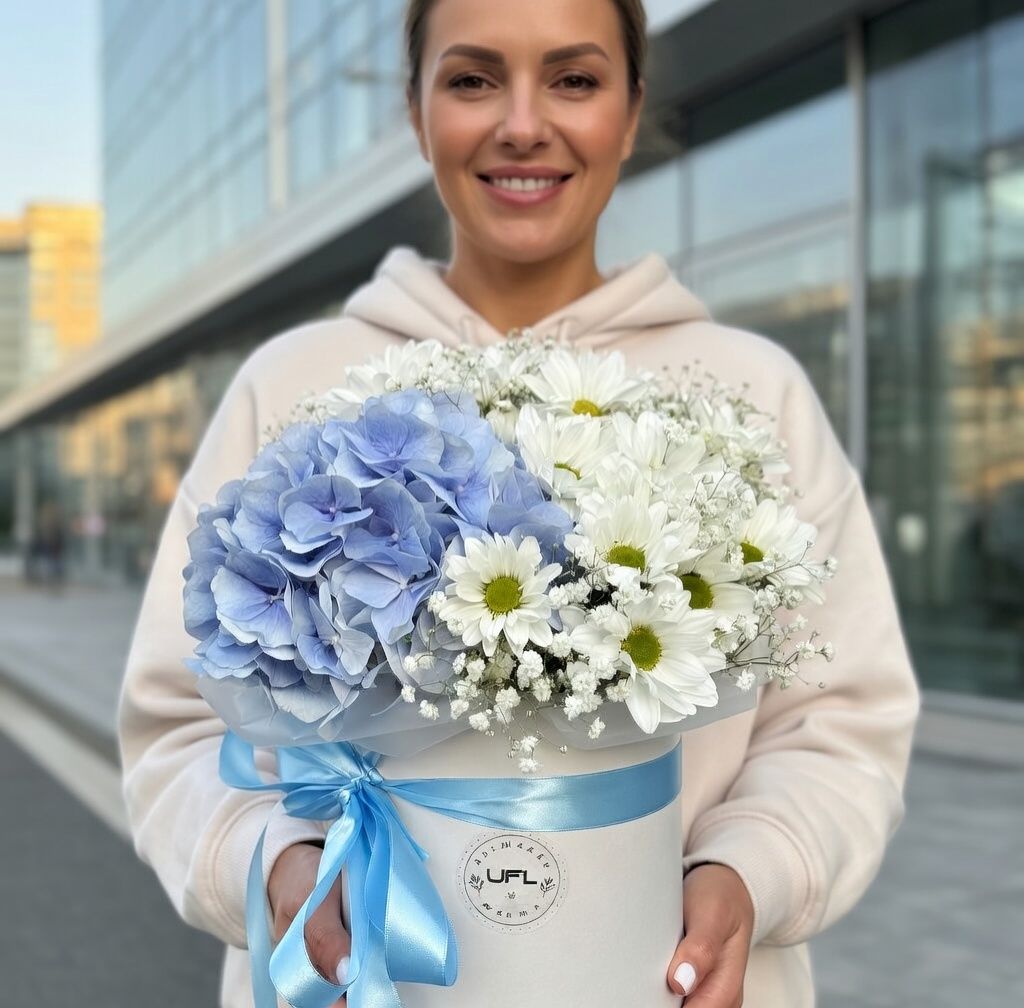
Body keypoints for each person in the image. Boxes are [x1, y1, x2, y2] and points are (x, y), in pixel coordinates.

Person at [116, 1, 922, 1006]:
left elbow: (841, 720)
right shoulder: (292, 382)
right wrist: (277, 863)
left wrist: (751, 868)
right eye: (473, 79)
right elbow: (178, 722)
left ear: (631, 111)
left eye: (574, 80)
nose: (523, 125)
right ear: (415, 110)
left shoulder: (752, 391)